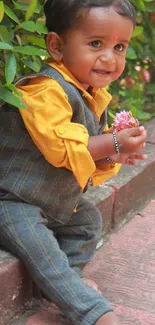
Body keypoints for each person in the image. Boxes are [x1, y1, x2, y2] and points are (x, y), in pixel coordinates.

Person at [0, 0, 147, 324]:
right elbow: (61, 148)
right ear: (56, 45)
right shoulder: (44, 91)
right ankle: (92, 311)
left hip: (51, 202)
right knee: (42, 250)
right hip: (12, 201)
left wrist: (114, 153)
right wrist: (113, 141)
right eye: (96, 44)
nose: (110, 58)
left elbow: (83, 161)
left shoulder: (90, 94)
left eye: (119, 46)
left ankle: (66, 280)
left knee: (87, 221)